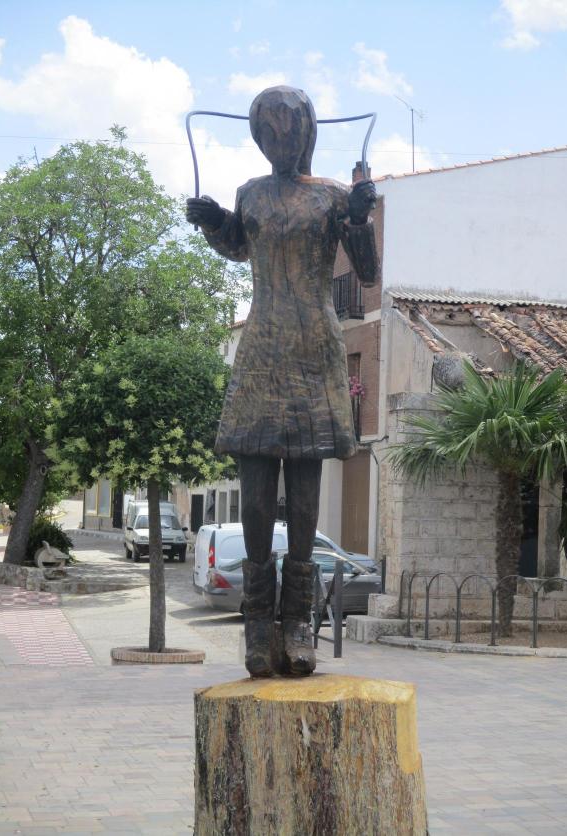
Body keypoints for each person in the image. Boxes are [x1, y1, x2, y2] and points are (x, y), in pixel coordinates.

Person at [187, 86, 379, 677]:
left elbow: (368, 271)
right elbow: (237, 246)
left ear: (307, 130)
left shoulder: (334, 196)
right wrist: (214, 221)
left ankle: (297, 623)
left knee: (302, 497)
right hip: (262, 346)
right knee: (253, 492)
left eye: (289, 129)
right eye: (268, 132)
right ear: (258, 137)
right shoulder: (251, 193)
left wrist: (361, 219)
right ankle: (256, 625)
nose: (280, 141)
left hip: (315, 348)